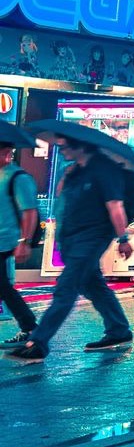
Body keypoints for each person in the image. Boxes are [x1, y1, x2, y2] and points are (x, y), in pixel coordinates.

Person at [8, 139, 134, 361]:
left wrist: (123, 238)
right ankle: (119, 330)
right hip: (71, 239)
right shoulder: (74, 170)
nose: (61, 149)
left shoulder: (105, 170)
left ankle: (38, 342)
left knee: (65, 289)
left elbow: (115, 207)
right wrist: (67, 177)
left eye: (65, 146)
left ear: (82, 146)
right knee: (93, 285)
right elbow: (61, 197)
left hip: (92, 238)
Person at [0, 139, 40, 346]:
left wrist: (24, 241)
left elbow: (29, 211)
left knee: (3, 286)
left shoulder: (18, 177)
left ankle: (30, 327)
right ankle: (29, 327)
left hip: (6, 239)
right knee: (2, 286)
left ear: (7, 152)